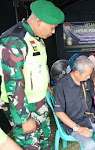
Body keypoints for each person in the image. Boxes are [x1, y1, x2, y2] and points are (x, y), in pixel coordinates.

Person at [0, 0, 64, 149]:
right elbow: (13, 82)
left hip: (38, 100)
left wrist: (44, 84)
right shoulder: (14, 41)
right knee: (30, 144)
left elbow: (36, 67)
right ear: (39, 21)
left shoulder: (35, 37)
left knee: (45, 140)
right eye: (52, 27)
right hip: (23, 105)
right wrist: (24, 118)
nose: (53, 32)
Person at [54, 55, 95, 150]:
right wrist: (78, 128)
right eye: (87, 75)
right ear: (76, 73)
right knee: (90, 145)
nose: (89, 77)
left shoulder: (86, 80)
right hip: (73, 122)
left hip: (90, 117)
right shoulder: (62, 86)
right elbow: (59, 112)